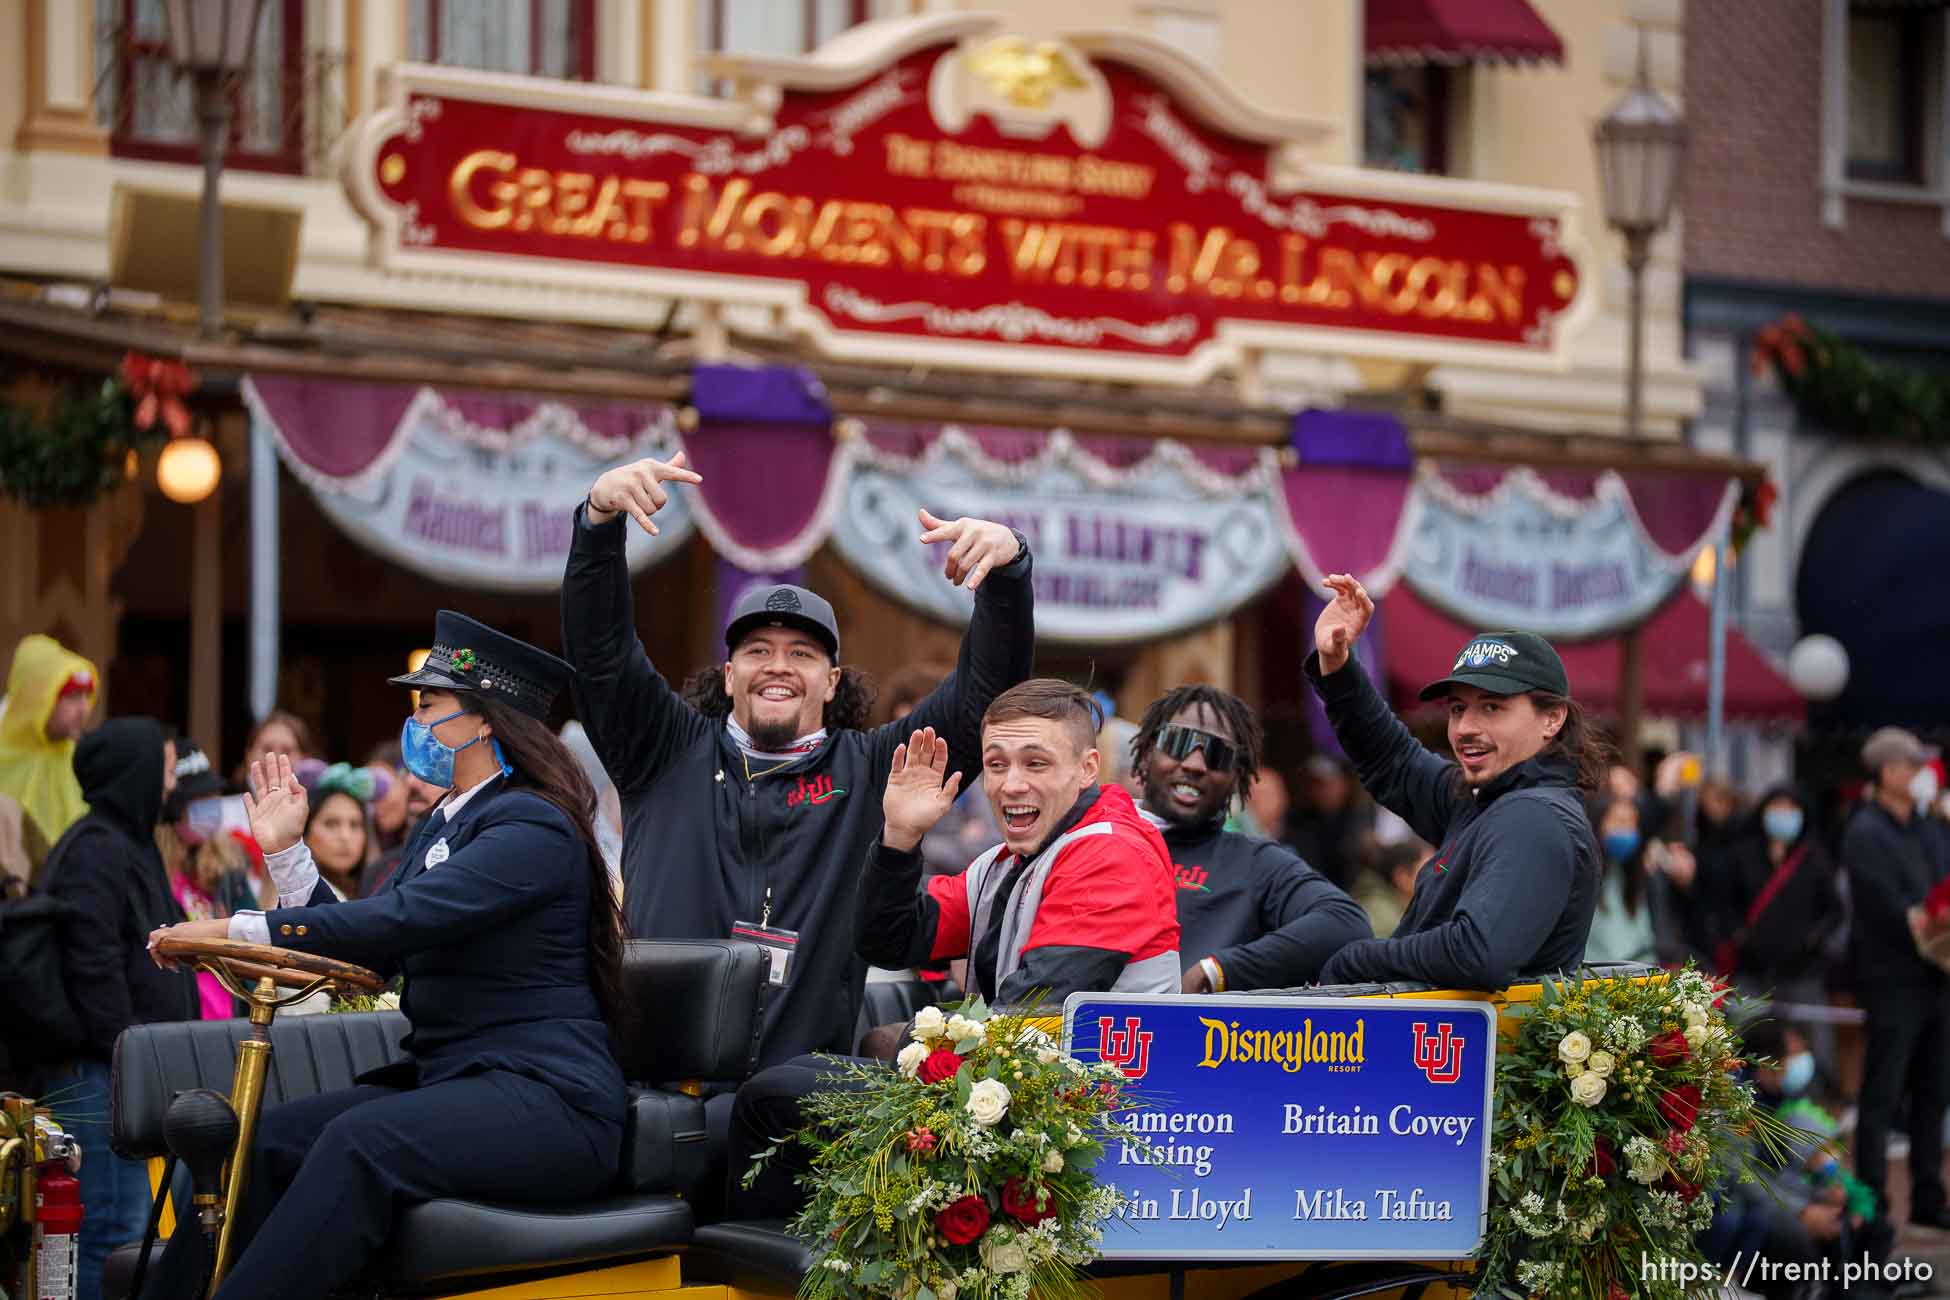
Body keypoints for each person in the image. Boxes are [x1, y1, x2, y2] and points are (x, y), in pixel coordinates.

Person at [139, 612, 629, 1300]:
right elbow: (370, 953)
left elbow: (400, 920)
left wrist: (233, 932)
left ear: (484, 720)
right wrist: (284, 852)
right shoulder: (451, 821)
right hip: (462, 1083)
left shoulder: (533, 824)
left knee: (359, 1144)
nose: (417, 719)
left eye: (429, 703)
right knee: (259, 1141)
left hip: (551, 1101)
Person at [561, 451, 1035, 1068]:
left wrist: (1007, 574)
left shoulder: (873, 771)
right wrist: (598, 525)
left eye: (802, 654)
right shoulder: (662, 751)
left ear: (832, 681)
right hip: (651, 1090)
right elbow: (601, 655)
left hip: (798, 1106)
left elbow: (982, 698)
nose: (778, 665)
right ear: (730, 675)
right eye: (758, 649)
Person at [732, 680, 1179, 1220]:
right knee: (799, 1078)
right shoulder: (1007, 860)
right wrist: (899, 837)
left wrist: (898, 1043)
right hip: (1014, 1099)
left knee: (770, 1094)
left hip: (1086, 1133)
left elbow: (1026, 1015)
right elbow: (889, 941)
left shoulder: (1111, 853)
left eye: (1035, 764)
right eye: (996, 764)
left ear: (1087, 769)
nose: (1011, 784)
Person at [1303, 575, 1603, 989]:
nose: (1465, 727)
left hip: (1486, 1053)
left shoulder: (1534, 818)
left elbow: (1477, 953)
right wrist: (1336, 665)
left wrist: (1358, 959)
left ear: (1552, 718)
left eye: (1492, 707)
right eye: (1458, 708)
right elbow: (1395, 761)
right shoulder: (1485, 798)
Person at [40, 717, 194, 1300]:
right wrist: (136, 1054)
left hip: (128, 1073)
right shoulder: (96, 851)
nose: (171, 783)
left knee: (137, 1230)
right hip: (102, 1077)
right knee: (112, 1229)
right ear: (135, 772)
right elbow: (93, 966)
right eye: (165, 767)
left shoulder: (128, 846)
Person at [1129, 684, 1370, 991]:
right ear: (1148, 752)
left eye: (1217, 754)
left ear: (1236, 778)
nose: (1194, 764)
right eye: (1179, 742)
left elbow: (1346, 924)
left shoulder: (1255, 864)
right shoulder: (1093, 837)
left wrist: (1217, 971)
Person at [1841, 726, 1950, 1228]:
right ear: (1887, 771)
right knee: (1882, 1094)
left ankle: (1929, 1197)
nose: (1918, 773)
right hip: (1892, 980)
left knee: (1934, 1090)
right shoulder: (1865, 830)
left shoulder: (1929, 827)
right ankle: (1873, 1199)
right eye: (1910, 765)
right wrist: (1924, 919)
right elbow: (1883, 903)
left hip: (1938, 978)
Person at [0, 633, 98, 879]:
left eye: (87, 697)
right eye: (72, 697)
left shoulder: (80, 759)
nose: (84, 709)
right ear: (36, 696)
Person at [1282, 755, 1369, 891]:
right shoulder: (1296, 822)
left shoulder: (1360, 821)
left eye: (1326, 784)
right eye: (1315, 784)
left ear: (1343, 785)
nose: (1321, 791)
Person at [300, 763, 376, 899]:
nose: (345, 836)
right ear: (305, 833)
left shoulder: (379, 894)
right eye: (331, 824)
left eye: (355, 825)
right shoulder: (293, 897)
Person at [1351, 838, 1430, 939]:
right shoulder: (1386, 919)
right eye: (1432, 869)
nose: (1441, 877)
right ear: (1403, 877)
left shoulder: (1399, 911)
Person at [235, 709, 316, 784]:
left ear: (305, 758)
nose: (275, 758)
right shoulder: (223, 796)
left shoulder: (320, 798)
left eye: (286, 751)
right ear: (249, 754)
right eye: (267, 749)